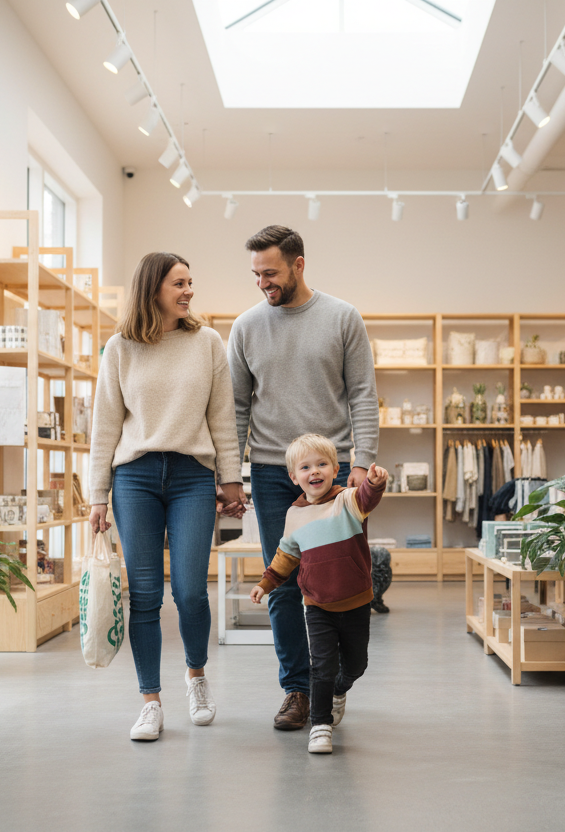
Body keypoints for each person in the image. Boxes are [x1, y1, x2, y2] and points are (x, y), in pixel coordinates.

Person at [88, 251, 246, 742]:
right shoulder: (119, 348)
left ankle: (196, 677)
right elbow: (105, 425)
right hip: (134, 478)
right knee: (146, 594)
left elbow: (223, 416)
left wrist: (231, 478)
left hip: (190, 476)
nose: (189, 291)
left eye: (191, 282)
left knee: (191, 591)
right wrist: (97, 494)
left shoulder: (207, 342)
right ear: (152, 287)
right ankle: (150, 700)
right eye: (179, 283)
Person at [228, 225, 380, 731]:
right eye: (256, 274)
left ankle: (336, 680)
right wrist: (234, 473)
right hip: (272, 472)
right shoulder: (246, 326)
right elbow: (236, 407)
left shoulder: (342, 318)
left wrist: (360, 464)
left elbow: (362, 393)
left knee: (343, 578)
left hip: (332, 473)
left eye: (270, 272)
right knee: (285, 580)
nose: (262, 283)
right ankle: (297, 690)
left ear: (298, 264)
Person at [249, 434, 387, 753]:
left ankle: (339, 690)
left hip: (355, 602)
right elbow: (286, 556)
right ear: (294, 477)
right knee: (322, 665)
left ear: (336, 469)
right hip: (317, 605)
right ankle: (320, 725)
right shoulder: (294, 515)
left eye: (322, 464)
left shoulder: (348, 501)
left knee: (356, 664)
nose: (315, 471)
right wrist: (265, 583)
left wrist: (375, 482)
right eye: (306, 467)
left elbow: (368, 497)